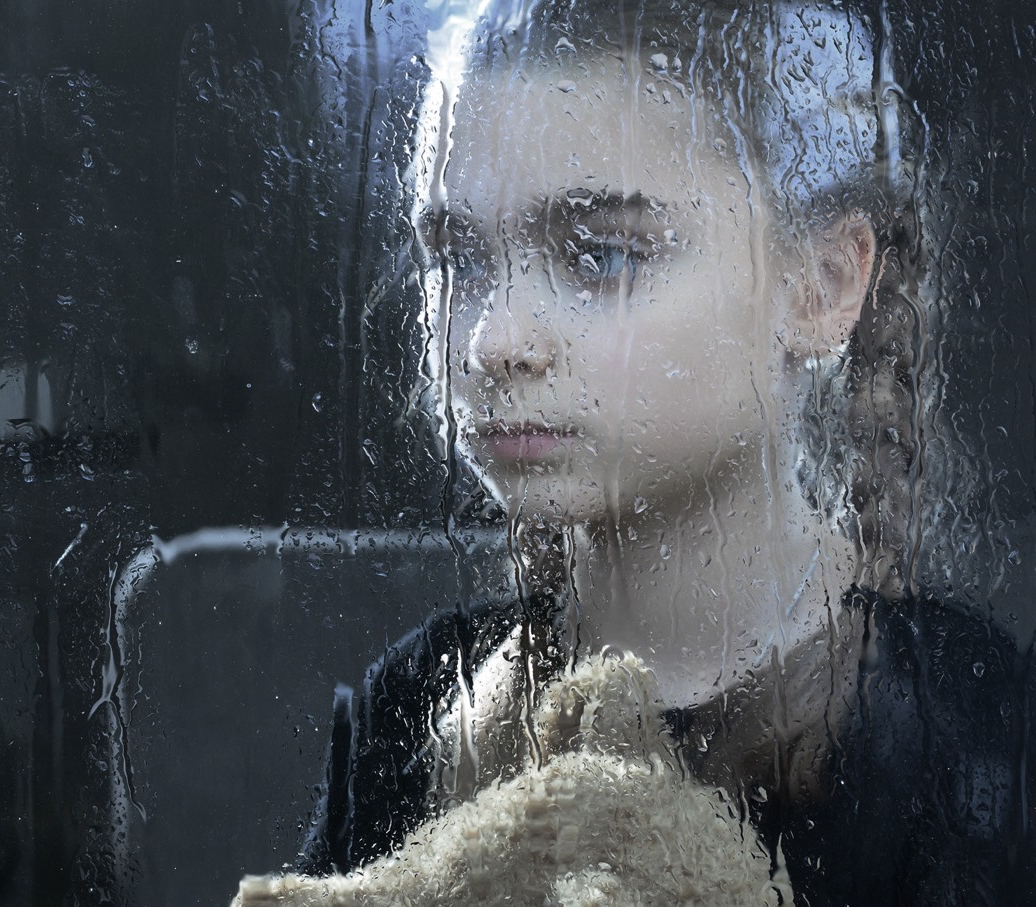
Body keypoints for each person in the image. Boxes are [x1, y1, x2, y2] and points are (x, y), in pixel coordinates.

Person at [268, 0, 1034, 904]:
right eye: (461, 257)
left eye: (599, 255)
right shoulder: (413, 710)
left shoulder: (977, 728)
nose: (492, 340)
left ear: (822, 283)